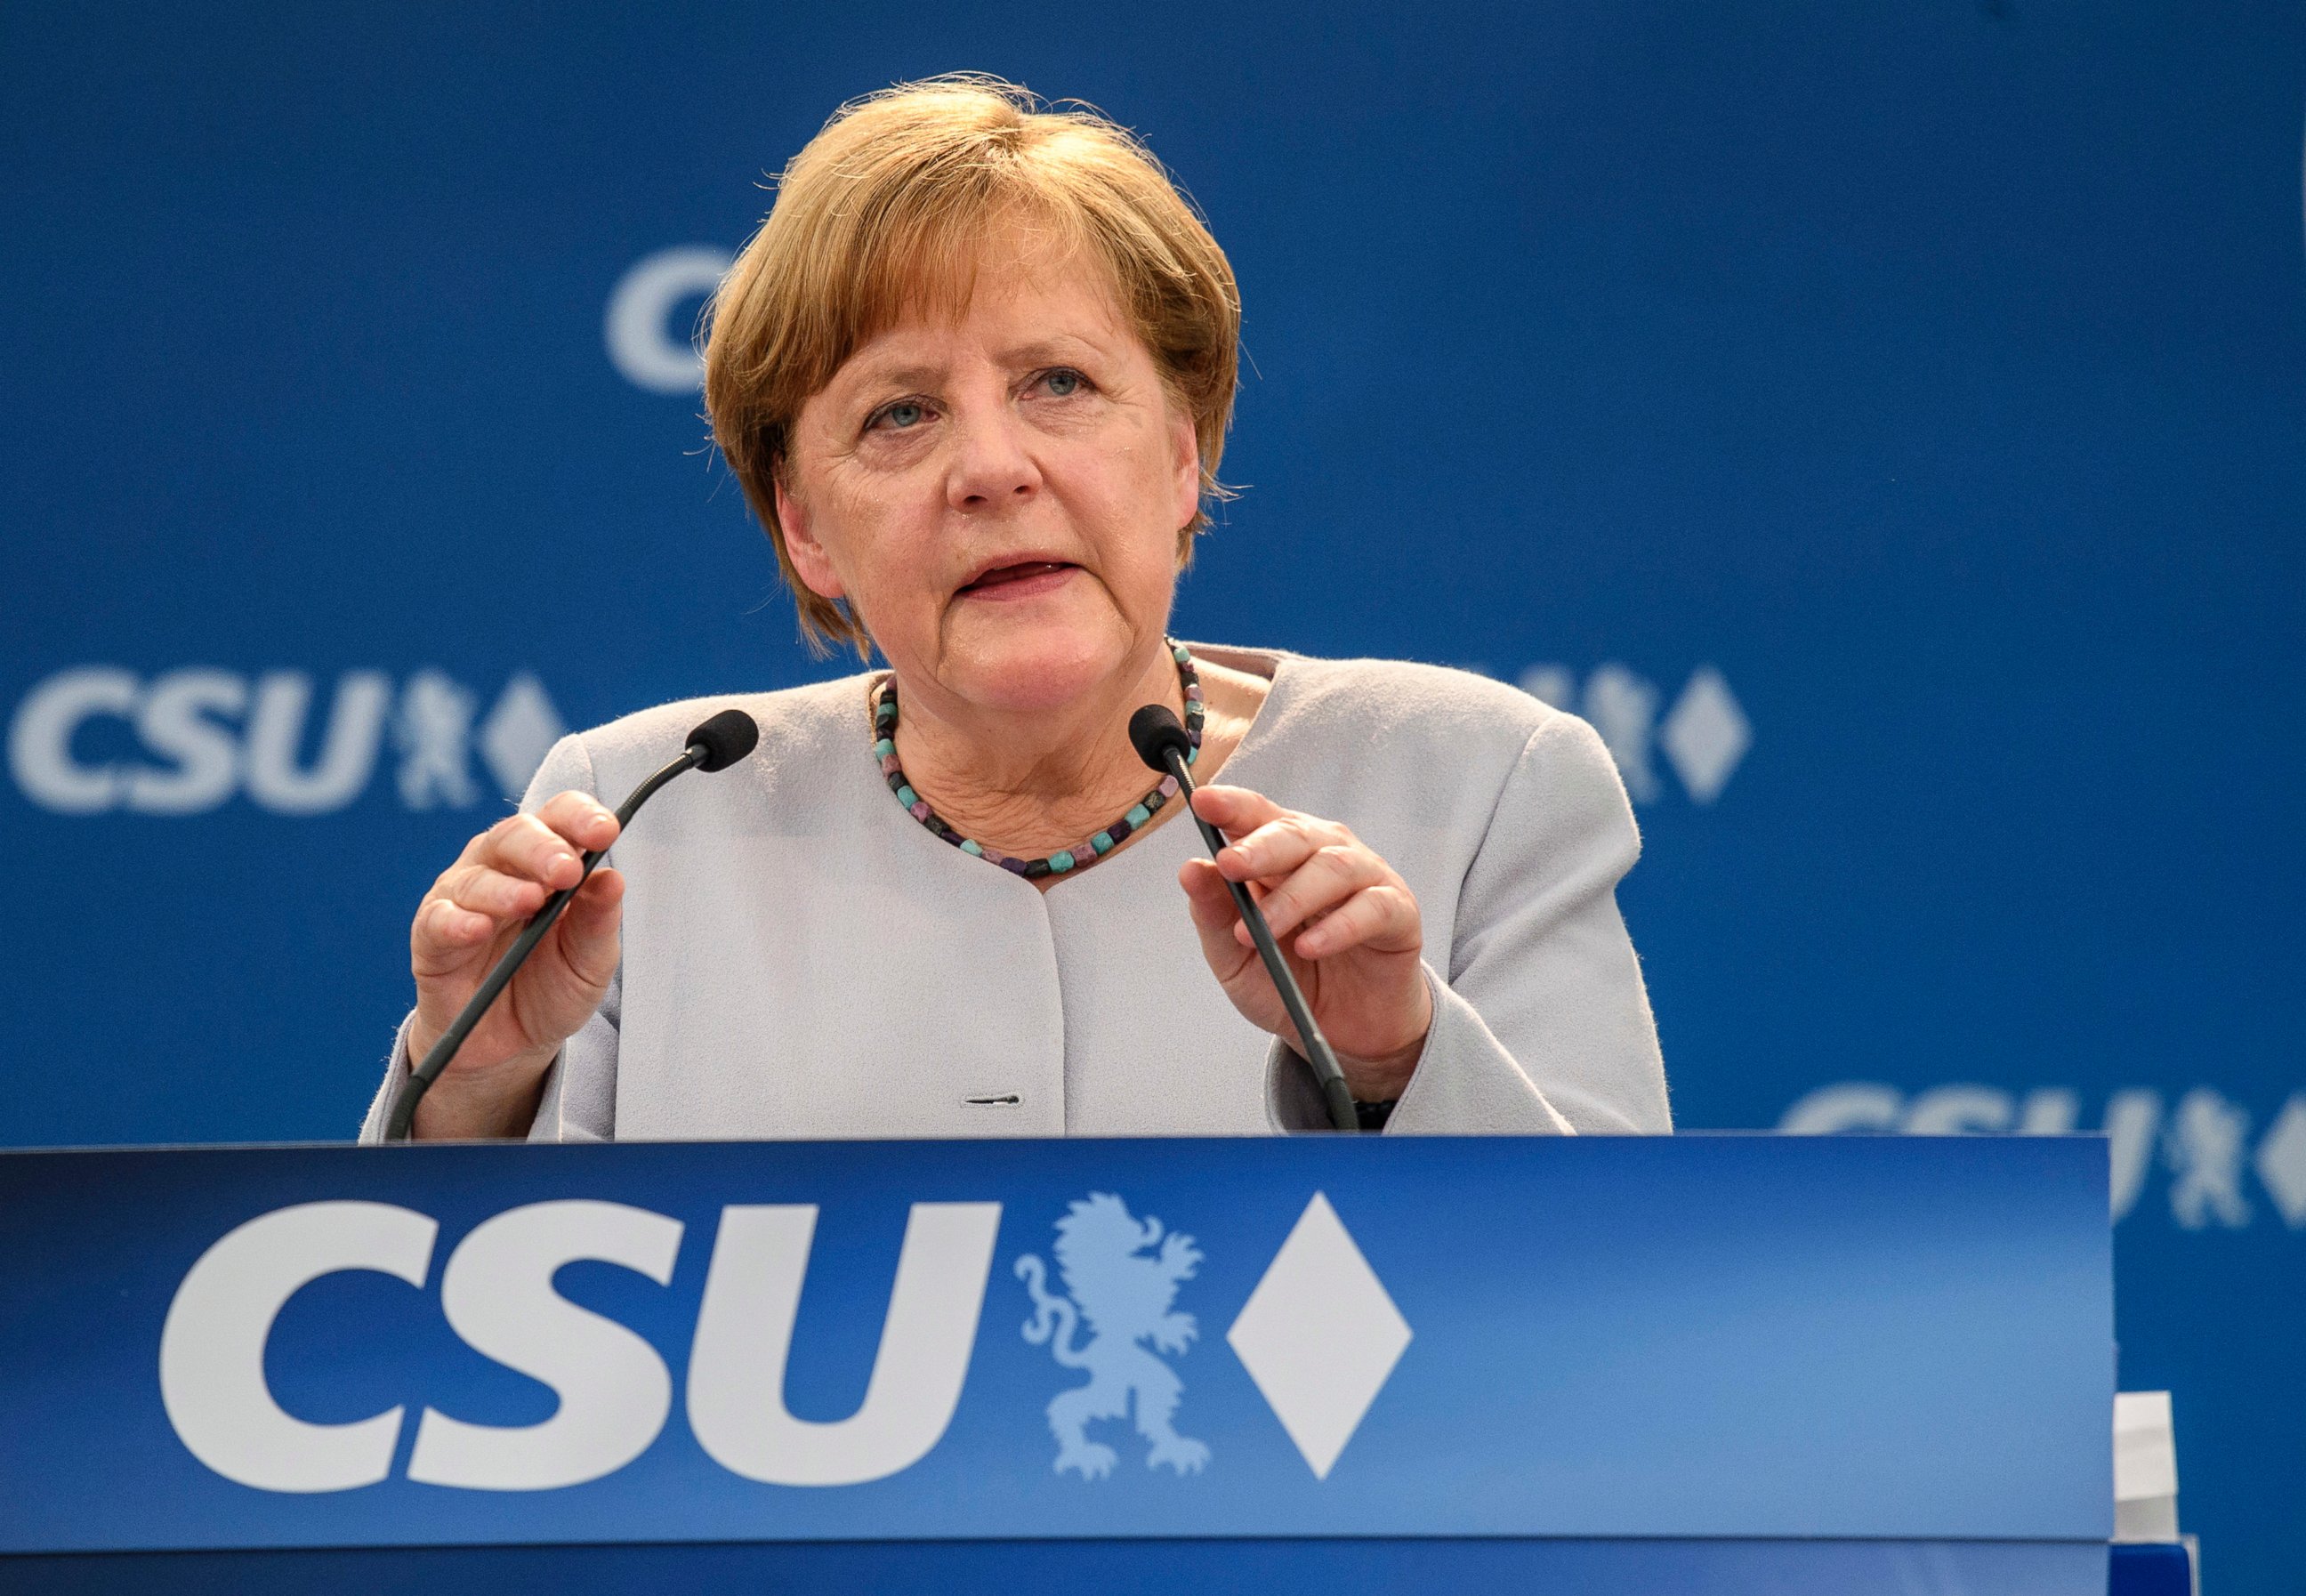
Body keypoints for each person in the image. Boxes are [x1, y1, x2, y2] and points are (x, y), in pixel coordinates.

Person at [361, 76, 1669, 1143]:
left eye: (1057, 382)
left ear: (1180, 457)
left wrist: (1400, 1064)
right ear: (806, 525)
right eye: (900, 413)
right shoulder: (636, 818)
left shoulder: (1480, 782)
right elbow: (433, 1386)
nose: (992, 467)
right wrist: (475, 1085)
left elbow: (1614, 1338)